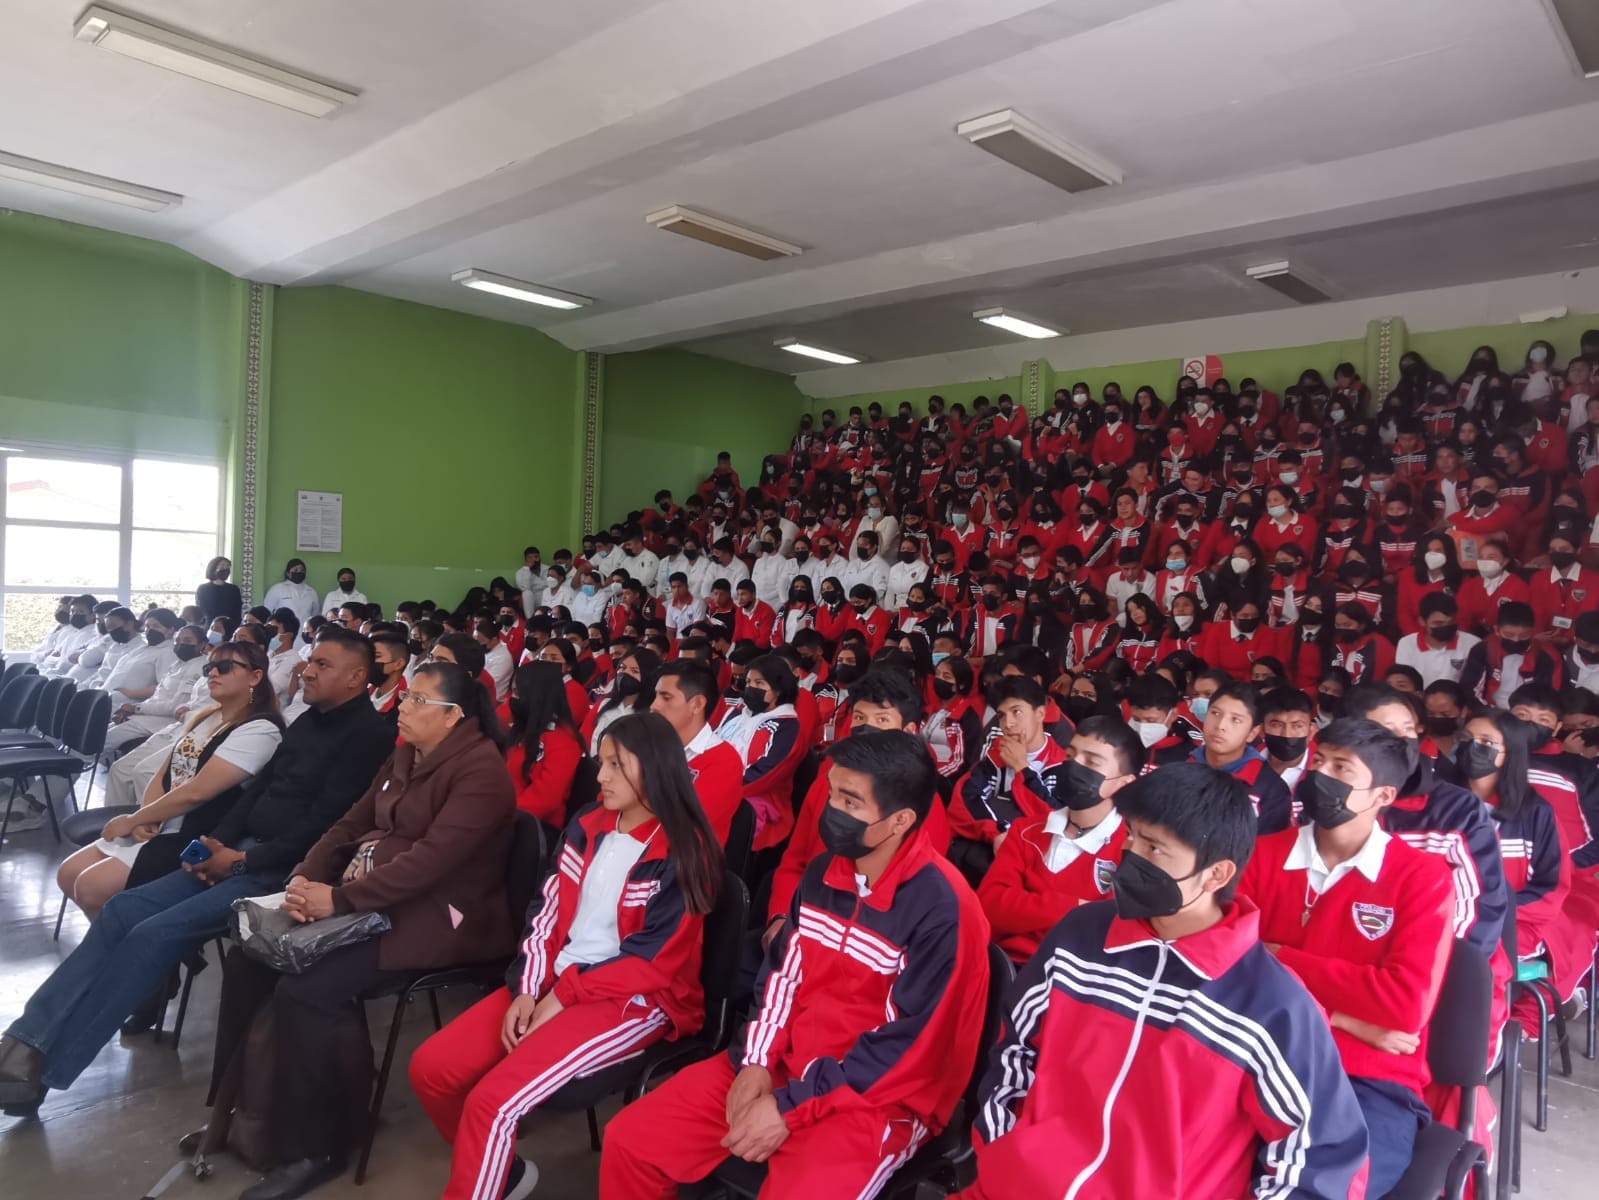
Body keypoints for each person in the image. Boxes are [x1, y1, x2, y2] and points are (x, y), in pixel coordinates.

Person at [0, 627, 394, 1112]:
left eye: (322, 666)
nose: (305, 671)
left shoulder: (371, 736)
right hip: (238, 849)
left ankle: (46, 1071)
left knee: (152, 934)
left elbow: (327, 825)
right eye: (309, 662)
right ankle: (26, 1037)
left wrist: (244, 860)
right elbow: (256, 793)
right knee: (123, 910)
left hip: (281, 870)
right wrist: (217, 843)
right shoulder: (309, 721)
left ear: (357, 677)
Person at [599, 730, 991, 1199]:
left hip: (876, 1100)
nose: (831, 811)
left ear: (900, 820)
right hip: (785, 1064)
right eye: (831, 793)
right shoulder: (824, 873)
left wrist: (790, 1108)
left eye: (851, 802)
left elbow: (907, 1051)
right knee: (632, 1142)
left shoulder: (944, 911)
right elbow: (782, 979)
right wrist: (756, 1063)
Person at [963, 764, 1370, 1200]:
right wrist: (1001, 1152)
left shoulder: (1272, 1006)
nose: (1131, 855)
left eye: (1154, 848)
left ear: (1216, 874)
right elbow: (1014, 1054)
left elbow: (1316, 1160)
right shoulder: (1076, 939)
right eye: (1133, 836)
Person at [218, 660, 516, 1200]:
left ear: (453, 716)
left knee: (311, 988)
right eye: (405, 696)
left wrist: (338, 899)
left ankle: (319, 1143)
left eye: (418, 700)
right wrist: (305, 876)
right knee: (249, 958)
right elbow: (352, 822)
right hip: (372, 897)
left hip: (438, 917)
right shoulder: (405, 751)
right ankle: (243, 1113)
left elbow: (432, 862)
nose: (402, 707)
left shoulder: (481, 774)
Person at [412, 713, 723, 1200]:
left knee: (492, 1103)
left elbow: (653, 963)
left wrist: (566, 994)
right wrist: (528, 990)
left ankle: (479, 1179)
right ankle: (501, 1171)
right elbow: (546, 915)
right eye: (602, 763)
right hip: (558, 983)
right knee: (432, 1068)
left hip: (636, 1000)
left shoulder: (684, 851)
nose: (601, 777)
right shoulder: (588, 824)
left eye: (617, 765)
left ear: (657, 769)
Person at [1238, 719, 1454, 1197]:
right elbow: (1228, 972)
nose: (1320, 775)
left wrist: (1279, 956)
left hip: (1370, 1083)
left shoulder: (1423, 878)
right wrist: (1346, 1018)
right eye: (1318, 762)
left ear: (1383, 795)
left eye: (1341, 767)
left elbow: (1404, 1004)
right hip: (1252, 1059)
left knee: (1318, 1189)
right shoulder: (1261, 855)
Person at [57, 639, 284, 927]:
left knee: (91, 887)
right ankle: (119, 948)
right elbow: (164, 772)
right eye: (210, 667)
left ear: (255, 676)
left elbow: (197, 792)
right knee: (69, 873)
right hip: (162, 824)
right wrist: (144, 819)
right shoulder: (208, 717)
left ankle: (129, 957)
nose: (213, 673)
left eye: (224, 667)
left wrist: (135, 818)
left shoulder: (261, 729)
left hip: (195, 837)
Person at [977, 715, 1142, 964]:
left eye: (1092, 762)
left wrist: (1025, 910)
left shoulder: (1133, 849)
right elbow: (990, 905)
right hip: (1007, 968)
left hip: (1074, 981)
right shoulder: (1026, 832)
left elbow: (1105, 930)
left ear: (1124, 782)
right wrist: (1076, 907)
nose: (1075, 765)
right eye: (1070, 756)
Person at [950, 676, 1069, 853]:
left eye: (1017, 712)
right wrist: (999, 833)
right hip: (999, 845)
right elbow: (963, 802)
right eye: (1001, 715)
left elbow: (1059, 817)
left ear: (1040, 714)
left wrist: (1023, 769)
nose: (1008, 724)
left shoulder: (1060, 764)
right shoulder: (997, 754)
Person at [716, 654, 805, 849]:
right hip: (720, 788)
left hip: (756, 798)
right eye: (748, 682)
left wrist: (722, 789)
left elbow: (767, 773)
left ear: (778, 689)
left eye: (760, 683)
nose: (751, 688)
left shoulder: (787, 725)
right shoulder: (735, 713)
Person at [650, 659, 745, 841]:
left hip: (680, 862)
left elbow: (684, 828)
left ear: (697, 704)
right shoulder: (648, 744)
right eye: (656, 696)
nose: (654, 705)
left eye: (666, 697)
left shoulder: (724, 762)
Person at [1191, 682, 1291, 834]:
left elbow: (1265, 850)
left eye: (1235, 720)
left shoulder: (1271, 789)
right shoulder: (1179, 768)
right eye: (1215, 713)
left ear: (1252, 733)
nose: (1220, 726)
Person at [101, 623, 209, 758]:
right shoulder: (179, 664)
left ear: (202, 644)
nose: (181, 644)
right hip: (149, 715)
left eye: (187, 641)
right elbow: (159, 694)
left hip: (163, 722)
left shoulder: (198, 668)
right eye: (178, 641)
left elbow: (174, 707)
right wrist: (133, 709)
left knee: (104, 740)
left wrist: (136, 708)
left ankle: (76, 767)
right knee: (102, 733)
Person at [262, 559, 321, 625]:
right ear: (288, 573)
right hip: (282, 633)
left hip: (304, 632)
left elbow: (315, 615)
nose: (299, 572)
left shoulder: (312, 592)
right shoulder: (276, 589)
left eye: (302, 570)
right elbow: (266, 612)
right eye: (295, 570)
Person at [197, 556, 243, 626]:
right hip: (210, 626)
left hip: (230, 627)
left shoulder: (234, 589)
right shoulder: (203, 589)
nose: (226, 568)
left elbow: (237, 611)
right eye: (222, 565)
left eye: (228, 566)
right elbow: (202, 610)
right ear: (213, 568)